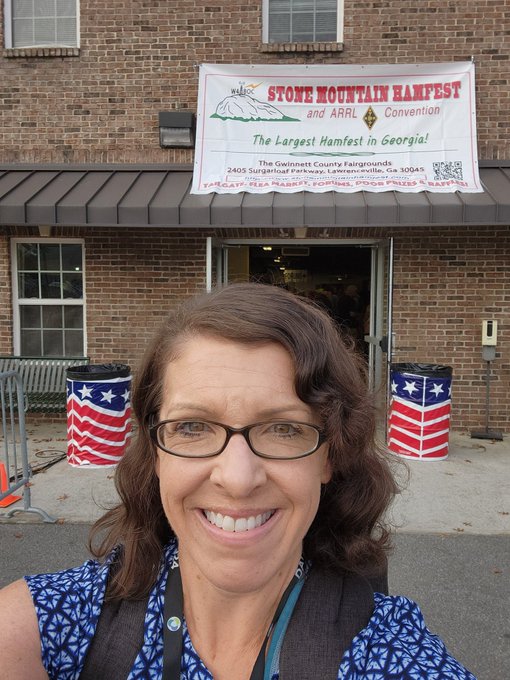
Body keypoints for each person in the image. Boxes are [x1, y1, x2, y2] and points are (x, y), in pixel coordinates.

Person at [0, 283, 475, 679]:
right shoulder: (56, 625)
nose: (238, 478)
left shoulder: (390, 655)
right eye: (191, 427)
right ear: (156, 452)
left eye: (284, 428)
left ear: (329, 456)